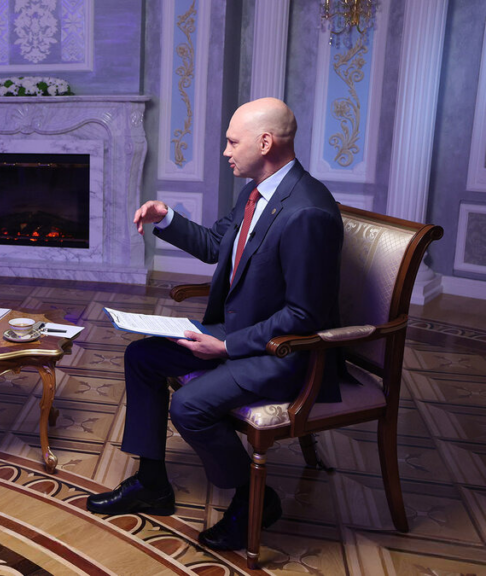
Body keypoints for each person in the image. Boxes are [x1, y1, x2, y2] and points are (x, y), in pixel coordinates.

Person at [87, 98, 344, 551]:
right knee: (143, 356)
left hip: (286, 354)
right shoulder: (257, 191)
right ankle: (152, 484)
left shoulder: (307, 212)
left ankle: (255, 500)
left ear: (265, 143)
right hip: (242, 335)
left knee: (189, 406)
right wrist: (166, 217)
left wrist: (226, 348)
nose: (225, 151)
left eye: (232, 142)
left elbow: (305, 316)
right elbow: (213, 246)